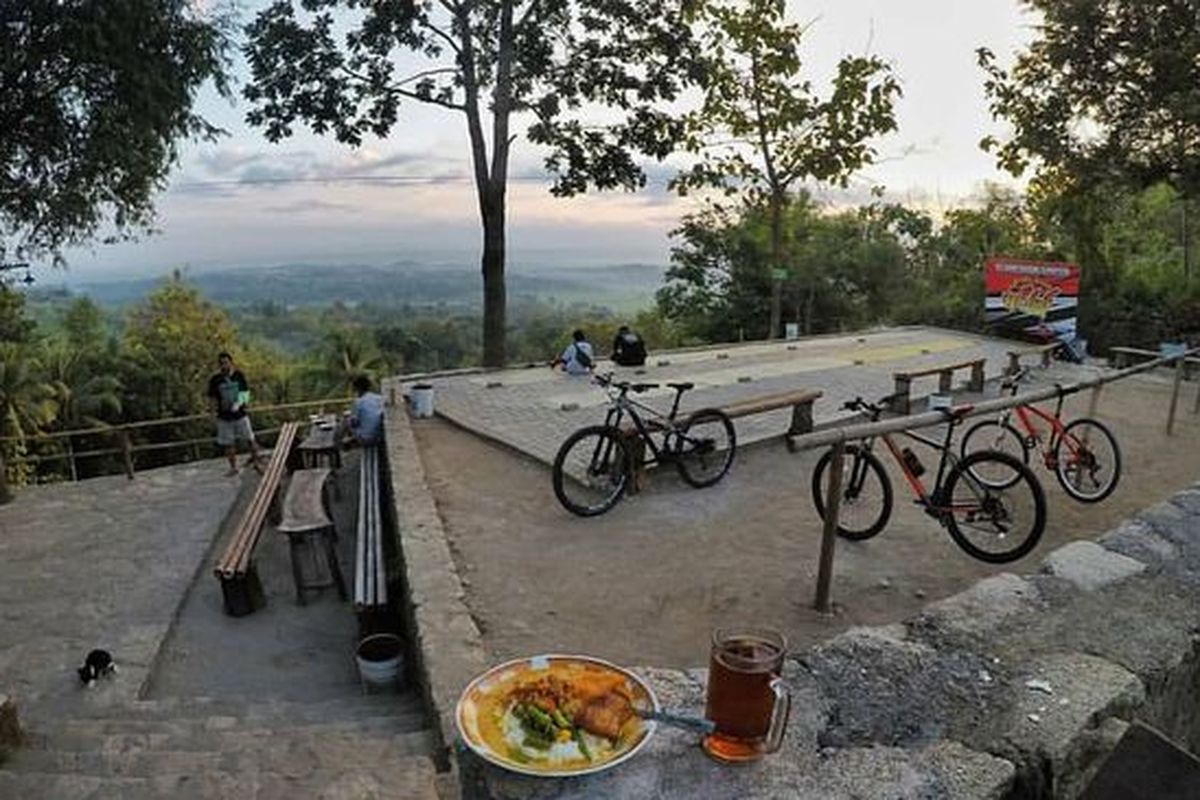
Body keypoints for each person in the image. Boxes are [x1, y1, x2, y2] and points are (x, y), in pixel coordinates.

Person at [206, 352, 262, 477]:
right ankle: (233, 467)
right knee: (228, 443)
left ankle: (256, 462)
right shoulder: (215, 380)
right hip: (224, 417)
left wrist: (240, 403)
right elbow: (212, 398)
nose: (224, 365)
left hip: (240, 415)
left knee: (250, 439)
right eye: (221, 363)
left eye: (226, 362)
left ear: (231, 363)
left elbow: (246, 393)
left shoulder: (239, 376)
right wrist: (212, 414)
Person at [345, 374, 385, 446]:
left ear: (357, 389)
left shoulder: (358, 402)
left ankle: (340, 444)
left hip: (367, 438)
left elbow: (354, 422)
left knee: (347, 421)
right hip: (381, 435)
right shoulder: (379, 398)